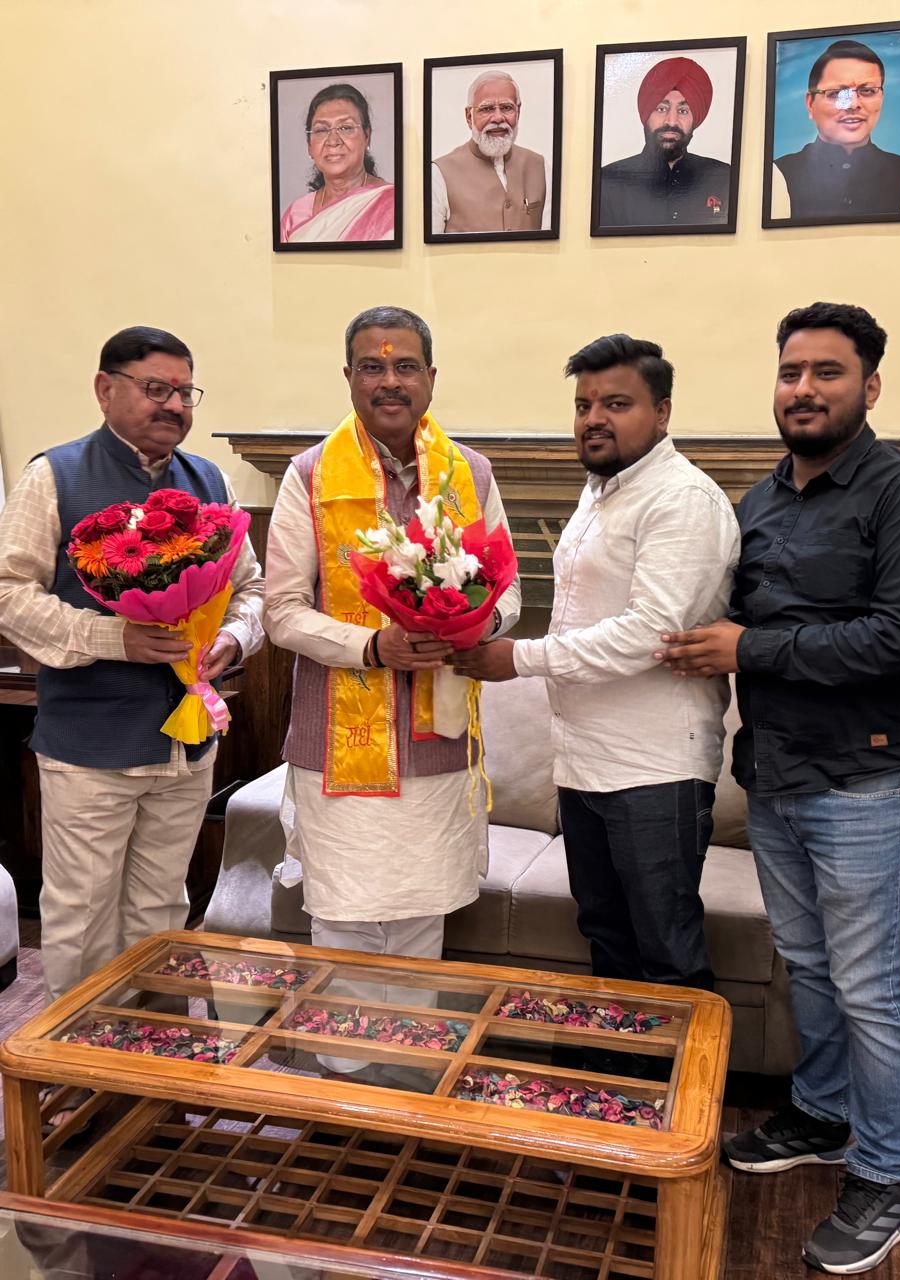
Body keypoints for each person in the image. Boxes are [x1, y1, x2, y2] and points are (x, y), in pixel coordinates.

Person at [657, 303, 900, 1274]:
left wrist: (750, 648)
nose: (803, 389)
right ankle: (824, 1115)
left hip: (865, 778)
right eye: (791, 371)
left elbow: (898, 640)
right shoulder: (758, 502)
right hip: (776, 775)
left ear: (868, 387)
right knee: (808, 964)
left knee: (871, 986)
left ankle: (886, 1178)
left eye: (826, 373)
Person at [454, 335, 739, 1001]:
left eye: (616, 403)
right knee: (606, 938)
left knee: (667, 956)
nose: (593, 419)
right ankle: (613, 1066)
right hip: (583, 761)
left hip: (654, 769)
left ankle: (685, 1072)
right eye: (583, 405)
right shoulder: (601, 492)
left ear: (662, 412)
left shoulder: (681, 499)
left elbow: (649, 633)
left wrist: (518, 657)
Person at [262, 305, 521, 1039]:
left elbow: (509, 594)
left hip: (437, 739)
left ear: (430, 377)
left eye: (405, 365)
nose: (389, 381)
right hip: (337, 746)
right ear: (348, 377)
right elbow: (281, 611)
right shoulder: (310, 475)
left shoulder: (469, 472)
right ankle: (346, 1077)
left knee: (419, 921)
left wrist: (471, 625)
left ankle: (408, 1068)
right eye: (372, 366)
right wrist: (374, 647)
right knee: (343, 921)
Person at [0, 326, 264, 1010]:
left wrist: (234, 638)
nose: (173, 405)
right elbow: (9, 594)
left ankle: (154, 1052)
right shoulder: (54, 476)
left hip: (186, 741)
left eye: (184, 392)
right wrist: (115, 637)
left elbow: (253, 589)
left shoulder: (209, 482)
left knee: (162, 910)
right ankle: (81, 1061)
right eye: (155, 388)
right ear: (104, 389)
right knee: (83, 913)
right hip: (90, 746)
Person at [772, 39, 900, 220]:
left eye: (867, 91)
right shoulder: (778, 174)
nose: (853, 104)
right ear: (810, 103)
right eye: (837, 93)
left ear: (882, 97)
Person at [598, 57, 731, 229]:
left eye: (683, 110)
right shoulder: (608, 181)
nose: (671, 121)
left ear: (695, 119)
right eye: (661, 109)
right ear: (646, 115)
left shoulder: (724, 178)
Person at [432, 69, 548, 234]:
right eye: (487, 109)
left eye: (506, 107)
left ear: (518, 112)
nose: (498, 118)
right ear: (469, 116)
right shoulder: (439, 174)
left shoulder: (541, 167)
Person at [280, 83, 395, 244]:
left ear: (367, 136)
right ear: (309, 146)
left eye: (346, 128)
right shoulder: (295, 215)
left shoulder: (394, 204)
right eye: (321, 130)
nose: (333, 141)